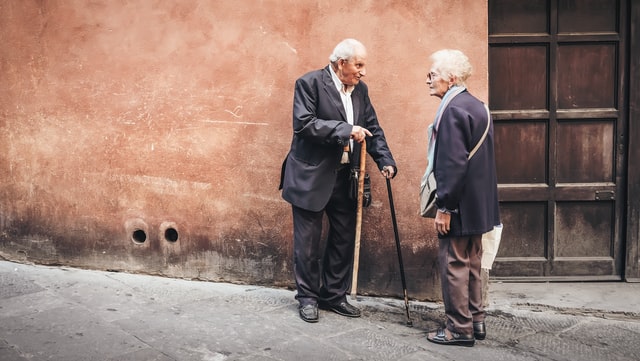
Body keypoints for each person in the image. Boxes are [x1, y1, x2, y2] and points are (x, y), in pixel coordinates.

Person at [279, 38, 397, 323]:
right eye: (359, 64)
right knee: (307, 243)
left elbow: (372, 128)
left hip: (346, 177)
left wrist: (385, 160)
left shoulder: (361, 90)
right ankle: (307, 298)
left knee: (343, 239)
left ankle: (333, 295)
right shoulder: (309, 84)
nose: (363, 71)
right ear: (341, 62)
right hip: (311, 176)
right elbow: (305, 124)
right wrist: (345, 129)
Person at [423, 49, 500, 346]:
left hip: (459, 205)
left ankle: (458, 328)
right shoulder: (478, 105)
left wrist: (445, 207)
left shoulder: (452, 109)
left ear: (451, 78)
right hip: (478, 204)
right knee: (472, 262)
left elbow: (452, 164)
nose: (428, 79)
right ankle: (476, 320)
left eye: (433, 74)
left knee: (454, 263)